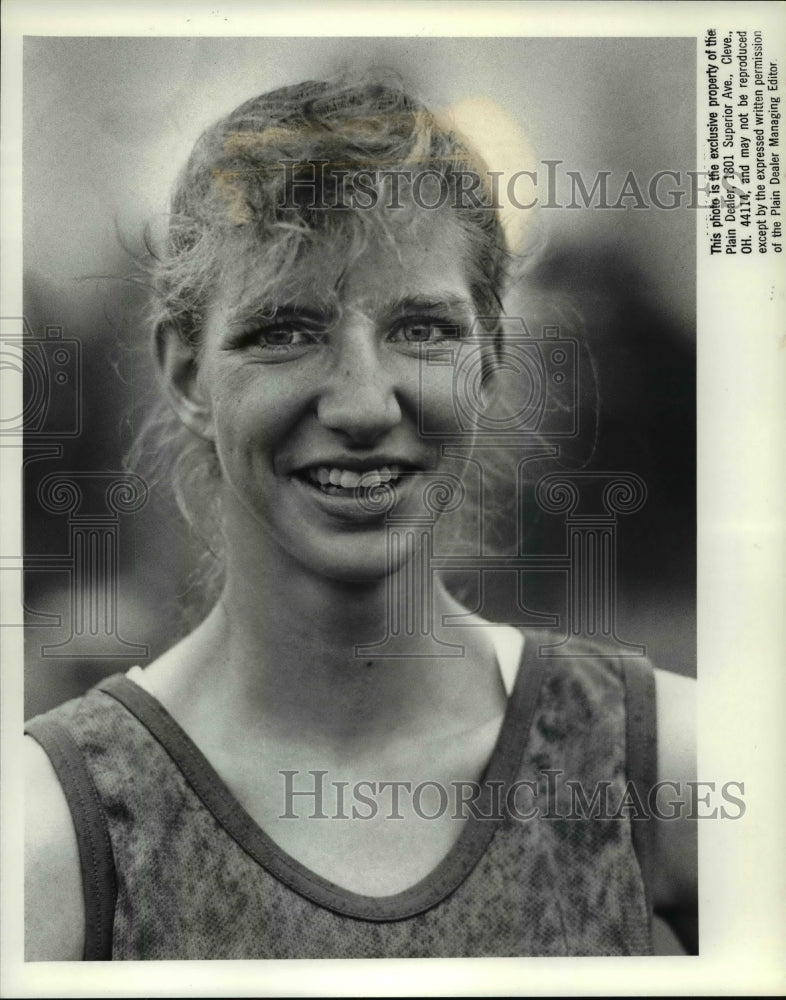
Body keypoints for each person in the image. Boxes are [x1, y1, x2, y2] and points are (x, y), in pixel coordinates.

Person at [24, 71, 697, 960]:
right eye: (285, 330)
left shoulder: (660, 764)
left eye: (423, 330)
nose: (362, 406)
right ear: (187, 374)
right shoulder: (57, 832)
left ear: (489, 360)